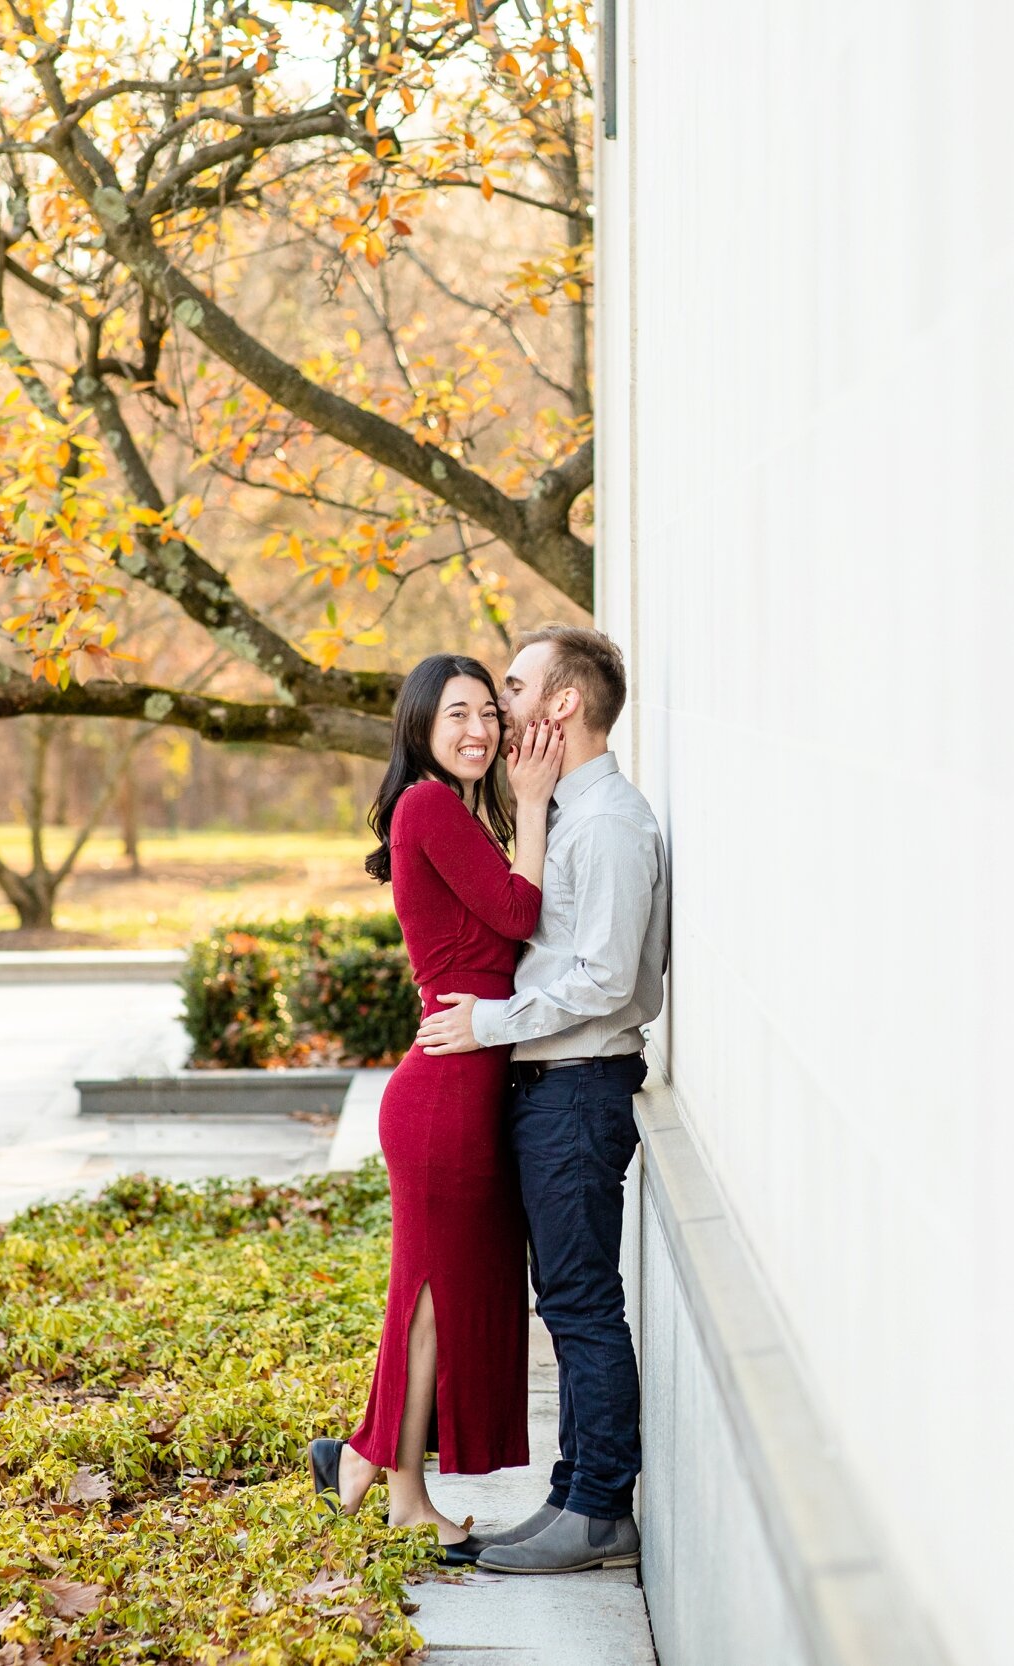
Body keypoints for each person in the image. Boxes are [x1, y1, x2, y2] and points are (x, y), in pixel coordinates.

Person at [414, 625, 668, 1576]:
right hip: (548, 1087)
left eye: (513, 687)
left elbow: (603, 980)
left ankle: (601, 1511)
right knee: (564, 1298)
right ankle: (571, 1494)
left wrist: (489, 1023)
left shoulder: (606, 824)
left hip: (579, 1087)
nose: (498, 704)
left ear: (562, 705)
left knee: (582, 1301)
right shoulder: (562, 813)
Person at [306, 653, 565, 1566]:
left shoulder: (453, 813)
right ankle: (394, 1482)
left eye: (490, 714)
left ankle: (370, 1468)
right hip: (443, 1099)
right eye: (458, 713)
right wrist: (532, 804)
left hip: (463, 1088)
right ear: (420, 724)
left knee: (432, 1299)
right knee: (430, 1303)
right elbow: (519, 912)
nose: (480, 731)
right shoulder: (426, 805)